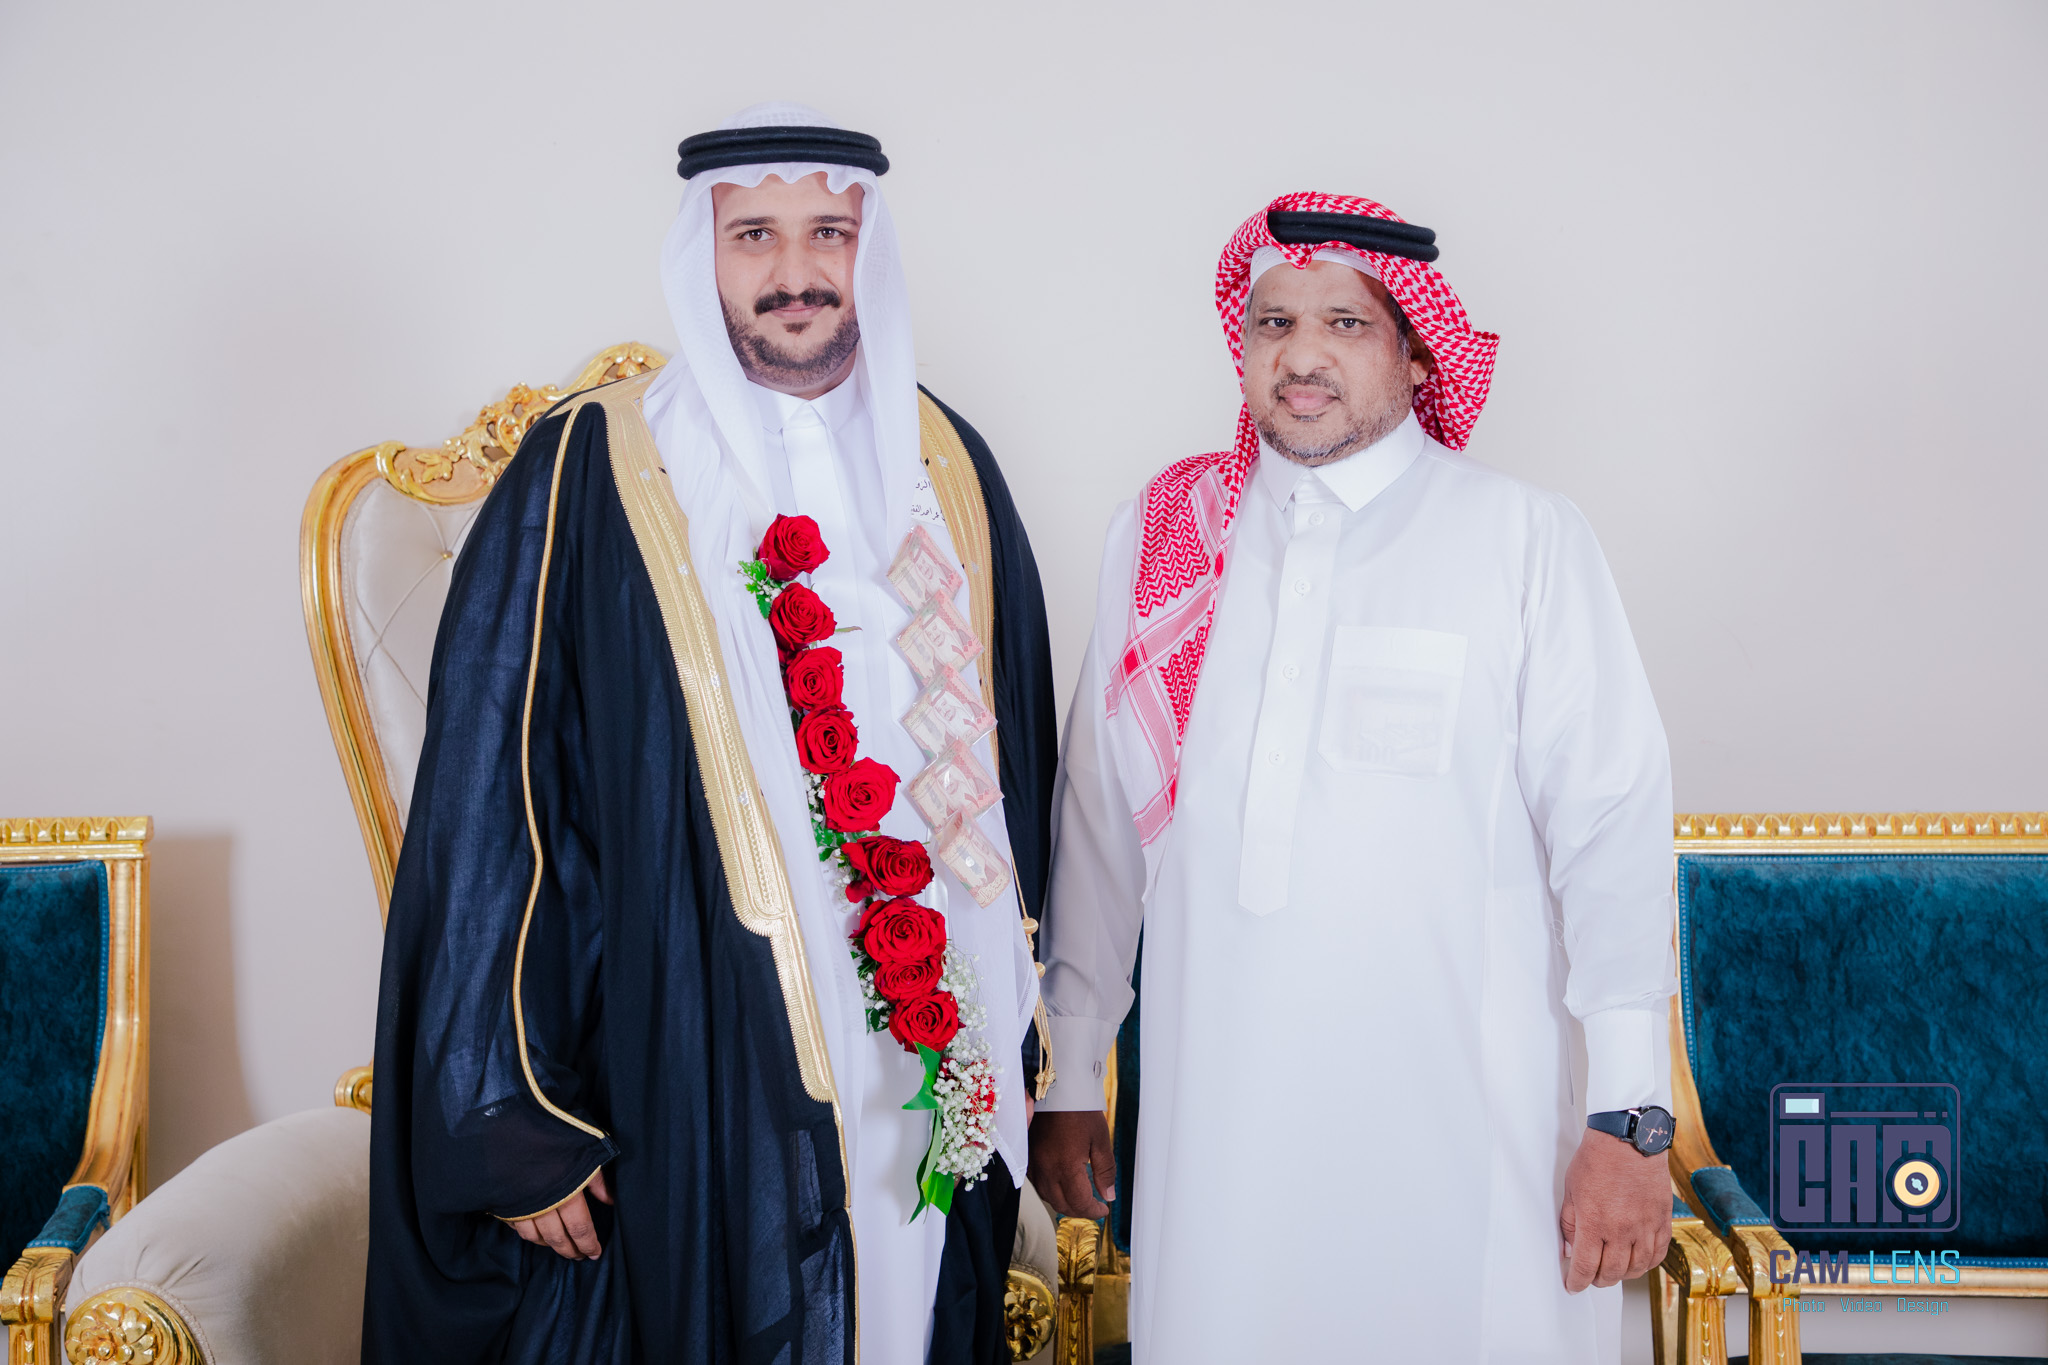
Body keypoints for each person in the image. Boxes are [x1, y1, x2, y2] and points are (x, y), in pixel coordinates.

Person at [364, 103, 1058, 1364]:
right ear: (705, 254)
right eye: (754, 236)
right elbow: (490, 799)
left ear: (868, 249)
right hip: (693, 1036)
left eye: (826, 233)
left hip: (929, 1034)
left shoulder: (947, 464)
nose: (794, 271)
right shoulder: (591, 466)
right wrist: (507, 1110)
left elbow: (1019, 775)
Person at [1027, 192, 1677, 1362]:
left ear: (1416, 353)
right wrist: (1071, 1072)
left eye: (1344, 323)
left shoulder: (1520, 539)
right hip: (1221, 1132)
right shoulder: (1168, 537)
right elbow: (1097, 826)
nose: (1301, 357)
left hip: (1468, 1136)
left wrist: (1629, 1118)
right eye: (1273, 324)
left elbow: (1611, 835)